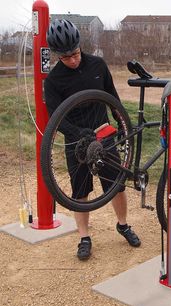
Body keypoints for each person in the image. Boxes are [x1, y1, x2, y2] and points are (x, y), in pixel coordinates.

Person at [44, 19, 141, 260]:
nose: (73, 60)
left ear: (80, 45)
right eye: (66, 57)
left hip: (103, 134)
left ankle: (123, 225)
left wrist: (121, 123)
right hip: (75, 142)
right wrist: (77, 134)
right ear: (57, 55)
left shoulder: (97, 65)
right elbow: (56, 119)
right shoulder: (54, 80)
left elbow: (113, 98)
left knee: (116, 185)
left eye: (75, 53)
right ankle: (84, 238)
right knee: (80, 192)